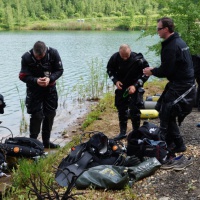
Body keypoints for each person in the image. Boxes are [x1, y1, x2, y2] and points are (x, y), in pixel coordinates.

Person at [143, 17, 195, 153]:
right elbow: (171, 67)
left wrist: (151, 71)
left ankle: (177, 144)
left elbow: (166, 71)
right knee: (160, 106)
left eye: (159, 29)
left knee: (167, 112)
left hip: (183, 86)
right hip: (178, 83)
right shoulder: (178, 41)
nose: (157, 32)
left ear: (166, 29)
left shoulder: (172, 46)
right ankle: (171, 141)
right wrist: (156, 69)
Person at [19, 41, 64, 148]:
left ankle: (46, 142)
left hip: (50, 89)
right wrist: (35, 80)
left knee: (50, 114)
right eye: (36, 56)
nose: (38, 58)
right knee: (37, 115)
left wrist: (50, 78)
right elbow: (22, 76)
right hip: (34, 90)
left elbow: (60, 70)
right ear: (33, 51)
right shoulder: (26, 57)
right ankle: (33, 143)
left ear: (45, 51)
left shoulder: (53, 53)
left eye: (41, 56)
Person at [107, 44, 149, 140]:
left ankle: (136, 132)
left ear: (130, 51)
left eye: (127, 56)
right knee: (121, 109)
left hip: (135, 86)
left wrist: (135, 85)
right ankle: (122, 132)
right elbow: (109, 70)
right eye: (123, 56)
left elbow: (146, 74)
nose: (125, 58)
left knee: (135, 110)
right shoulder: (114, 58)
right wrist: (115, 81)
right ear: (119, 53)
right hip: (122, 87)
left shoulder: (139, 60)